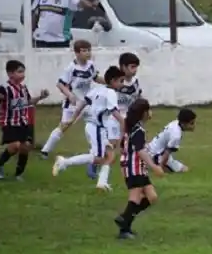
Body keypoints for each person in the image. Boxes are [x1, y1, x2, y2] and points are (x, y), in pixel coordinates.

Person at [52, 66, 125, 190]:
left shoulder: (97, 89)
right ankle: (64, 162)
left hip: (94, 127)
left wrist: (72, 118)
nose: (122, 84)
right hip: (96, 127)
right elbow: (116, 114)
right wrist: (123, 128)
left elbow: (83, 103)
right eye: (121, 81)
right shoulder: (111, 93)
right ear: (113, 81)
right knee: (99, 158)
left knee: (110, 155)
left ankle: (102, 183)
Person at [114, 98, 166, 240]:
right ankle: (124, 228)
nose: (151, 113)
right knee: (135, 197)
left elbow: (122, 145)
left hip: (135, 167)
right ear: (143, 113)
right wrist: (154, 166)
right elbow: (140, 151)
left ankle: (124, 218)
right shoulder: (137, 130)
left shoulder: (131, 127)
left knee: (152, 197)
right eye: (149, 110)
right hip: (134, 167)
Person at [40, 40, 101, 159]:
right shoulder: (71, 68)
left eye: (89, 50)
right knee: (64, 126)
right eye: (84, 50)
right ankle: (45, 150)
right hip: (72, 104)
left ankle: (96, 151)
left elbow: (95, 78)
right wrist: (70, 95)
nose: (87, 53)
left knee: (95, 124)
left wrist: (110, 82)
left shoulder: (90, 65)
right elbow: (60, 84)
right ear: (77, 53)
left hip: (87, 103)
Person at [0, 60, 49, 180]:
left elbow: (28, 102)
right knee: (15, 146)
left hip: (23, 121)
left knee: (25, 147)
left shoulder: (23, 88)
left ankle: (19, 174)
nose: (23, 75)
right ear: (10, 74)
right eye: (19, 72)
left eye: (23, 72)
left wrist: (41, 97)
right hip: (9, 122)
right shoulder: (4, 88)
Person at [32, 0, 99, 48]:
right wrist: (31, 32)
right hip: (41, 40)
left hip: (60, 41)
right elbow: (35, 14)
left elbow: (80, 2)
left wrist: (90, 4)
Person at [148, 108, 197, 173]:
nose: (194, 125)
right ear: (183, 124)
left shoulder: (175, 123)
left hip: (152, 148)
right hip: (156, 154)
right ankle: (153, 165)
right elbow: (167, 153)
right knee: (185, 170)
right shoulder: (176, 135)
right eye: (191, 123)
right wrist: (160, 168)